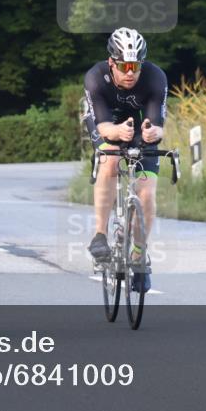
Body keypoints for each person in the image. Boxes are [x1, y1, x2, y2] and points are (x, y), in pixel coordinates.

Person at [82, 28, 167, 293]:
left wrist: (153, 132)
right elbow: (104, 125)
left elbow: (159, 127)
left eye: (135, 66)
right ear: (112, 63)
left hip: (141, 128)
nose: (130, 72)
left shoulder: (155, 78)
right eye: (124, 66)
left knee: (147, 192)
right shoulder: (96, 78)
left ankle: (139, 255)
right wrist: (117, 133)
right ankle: (99, 235)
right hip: (106, 123)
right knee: (109, 159)